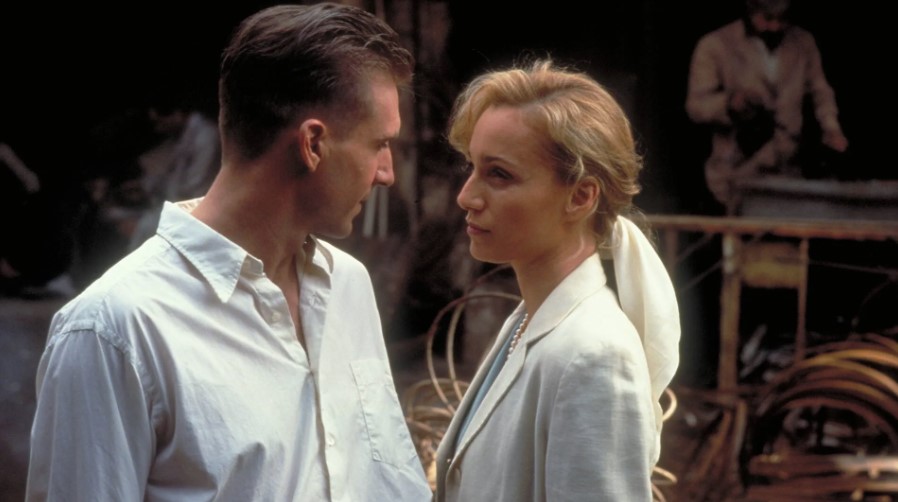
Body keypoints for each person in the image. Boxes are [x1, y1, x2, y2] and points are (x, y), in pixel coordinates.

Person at [26, 4, 432, 501]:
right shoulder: (115, 332)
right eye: (379, 145)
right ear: (313, 144)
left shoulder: (346, 284)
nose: (387, 172)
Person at [434, 60, 681, 501]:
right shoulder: (532, 319)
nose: (466, 196)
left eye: (499, 174)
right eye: (471, 167)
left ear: (581, 196)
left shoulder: (594, 356)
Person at [685, 0, 849, 214]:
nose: (775, 27)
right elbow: (696, 105)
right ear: (751, 11)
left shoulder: (802, 43)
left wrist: (831, 127)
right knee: (737, 225)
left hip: (787, 167)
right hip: (735, 168)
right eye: (767, 18)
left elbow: (821, 91)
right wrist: (730, 103)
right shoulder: (717, 44)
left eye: (782, 19)